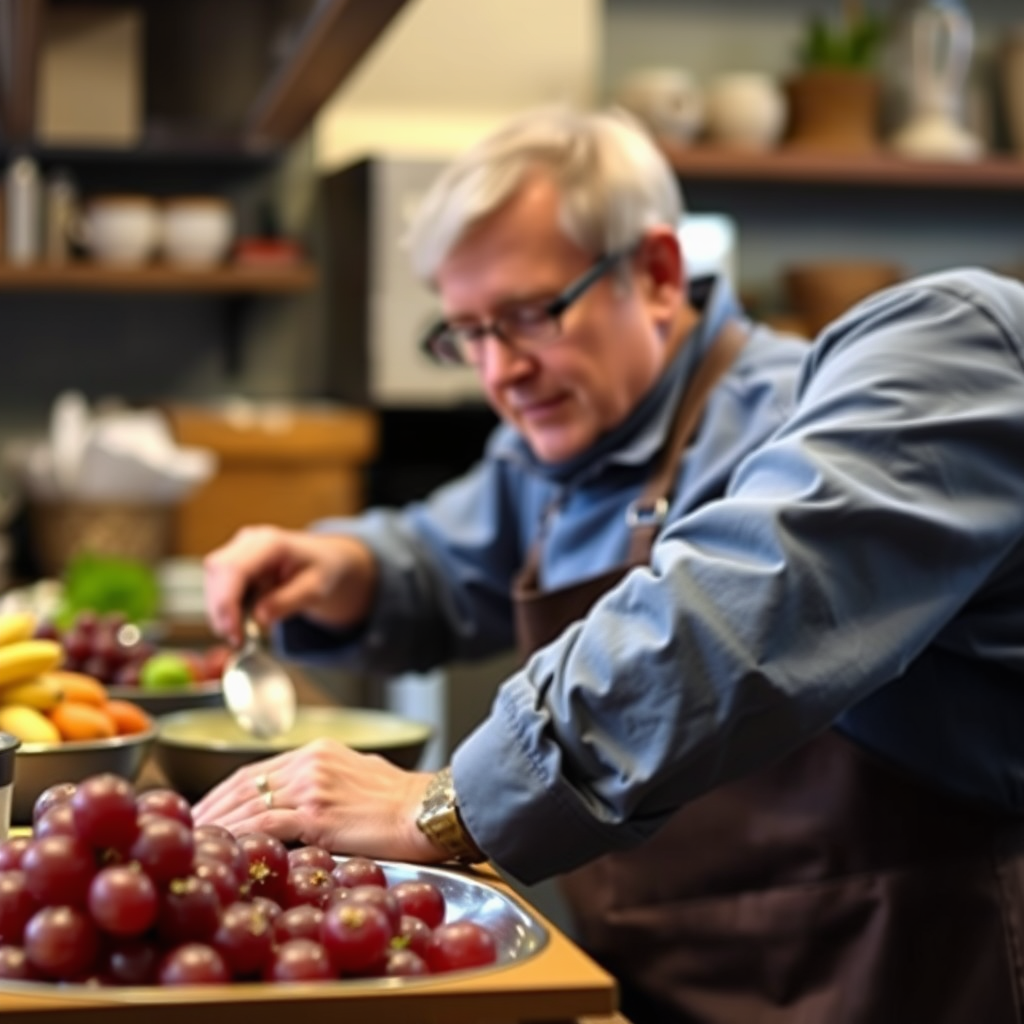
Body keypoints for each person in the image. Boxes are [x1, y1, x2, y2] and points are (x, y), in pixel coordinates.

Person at [195, 105, 1024, 1024]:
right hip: (654, 995)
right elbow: (442, 552)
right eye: (469, 332)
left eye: (529, 316)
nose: (499, 370)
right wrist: (345, 565)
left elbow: (730, 613)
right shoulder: (569, 447)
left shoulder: (871, 394)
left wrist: (440, 806)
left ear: (659, 273)